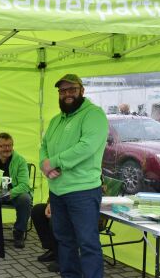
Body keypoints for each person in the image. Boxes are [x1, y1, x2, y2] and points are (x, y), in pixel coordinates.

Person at [39, 74, 108, 278]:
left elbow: (86, 147)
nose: (67, 94)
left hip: (83, 192)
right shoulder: (55, 121)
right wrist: (45, 165)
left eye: (72, 89)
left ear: (82, 91)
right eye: (63, 91)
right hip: (58, 191)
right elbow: (44, 146)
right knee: (64, 240)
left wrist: (55, 161)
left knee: (87, 243)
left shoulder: (94, 115)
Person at [0, 132, 33, 249]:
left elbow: (25, 185)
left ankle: (19, 231)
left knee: (25, 198)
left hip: (12, 195)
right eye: (3, 146)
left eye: (9, 145)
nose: (7, 148)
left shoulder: (20, 161)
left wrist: (10, 193)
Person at [31, 202, 60, 273]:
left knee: (54, 221)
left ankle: (64, 257)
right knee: (38, 210)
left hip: (76, 209)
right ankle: (53, 250)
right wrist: (50, 203)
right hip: (59, 203)